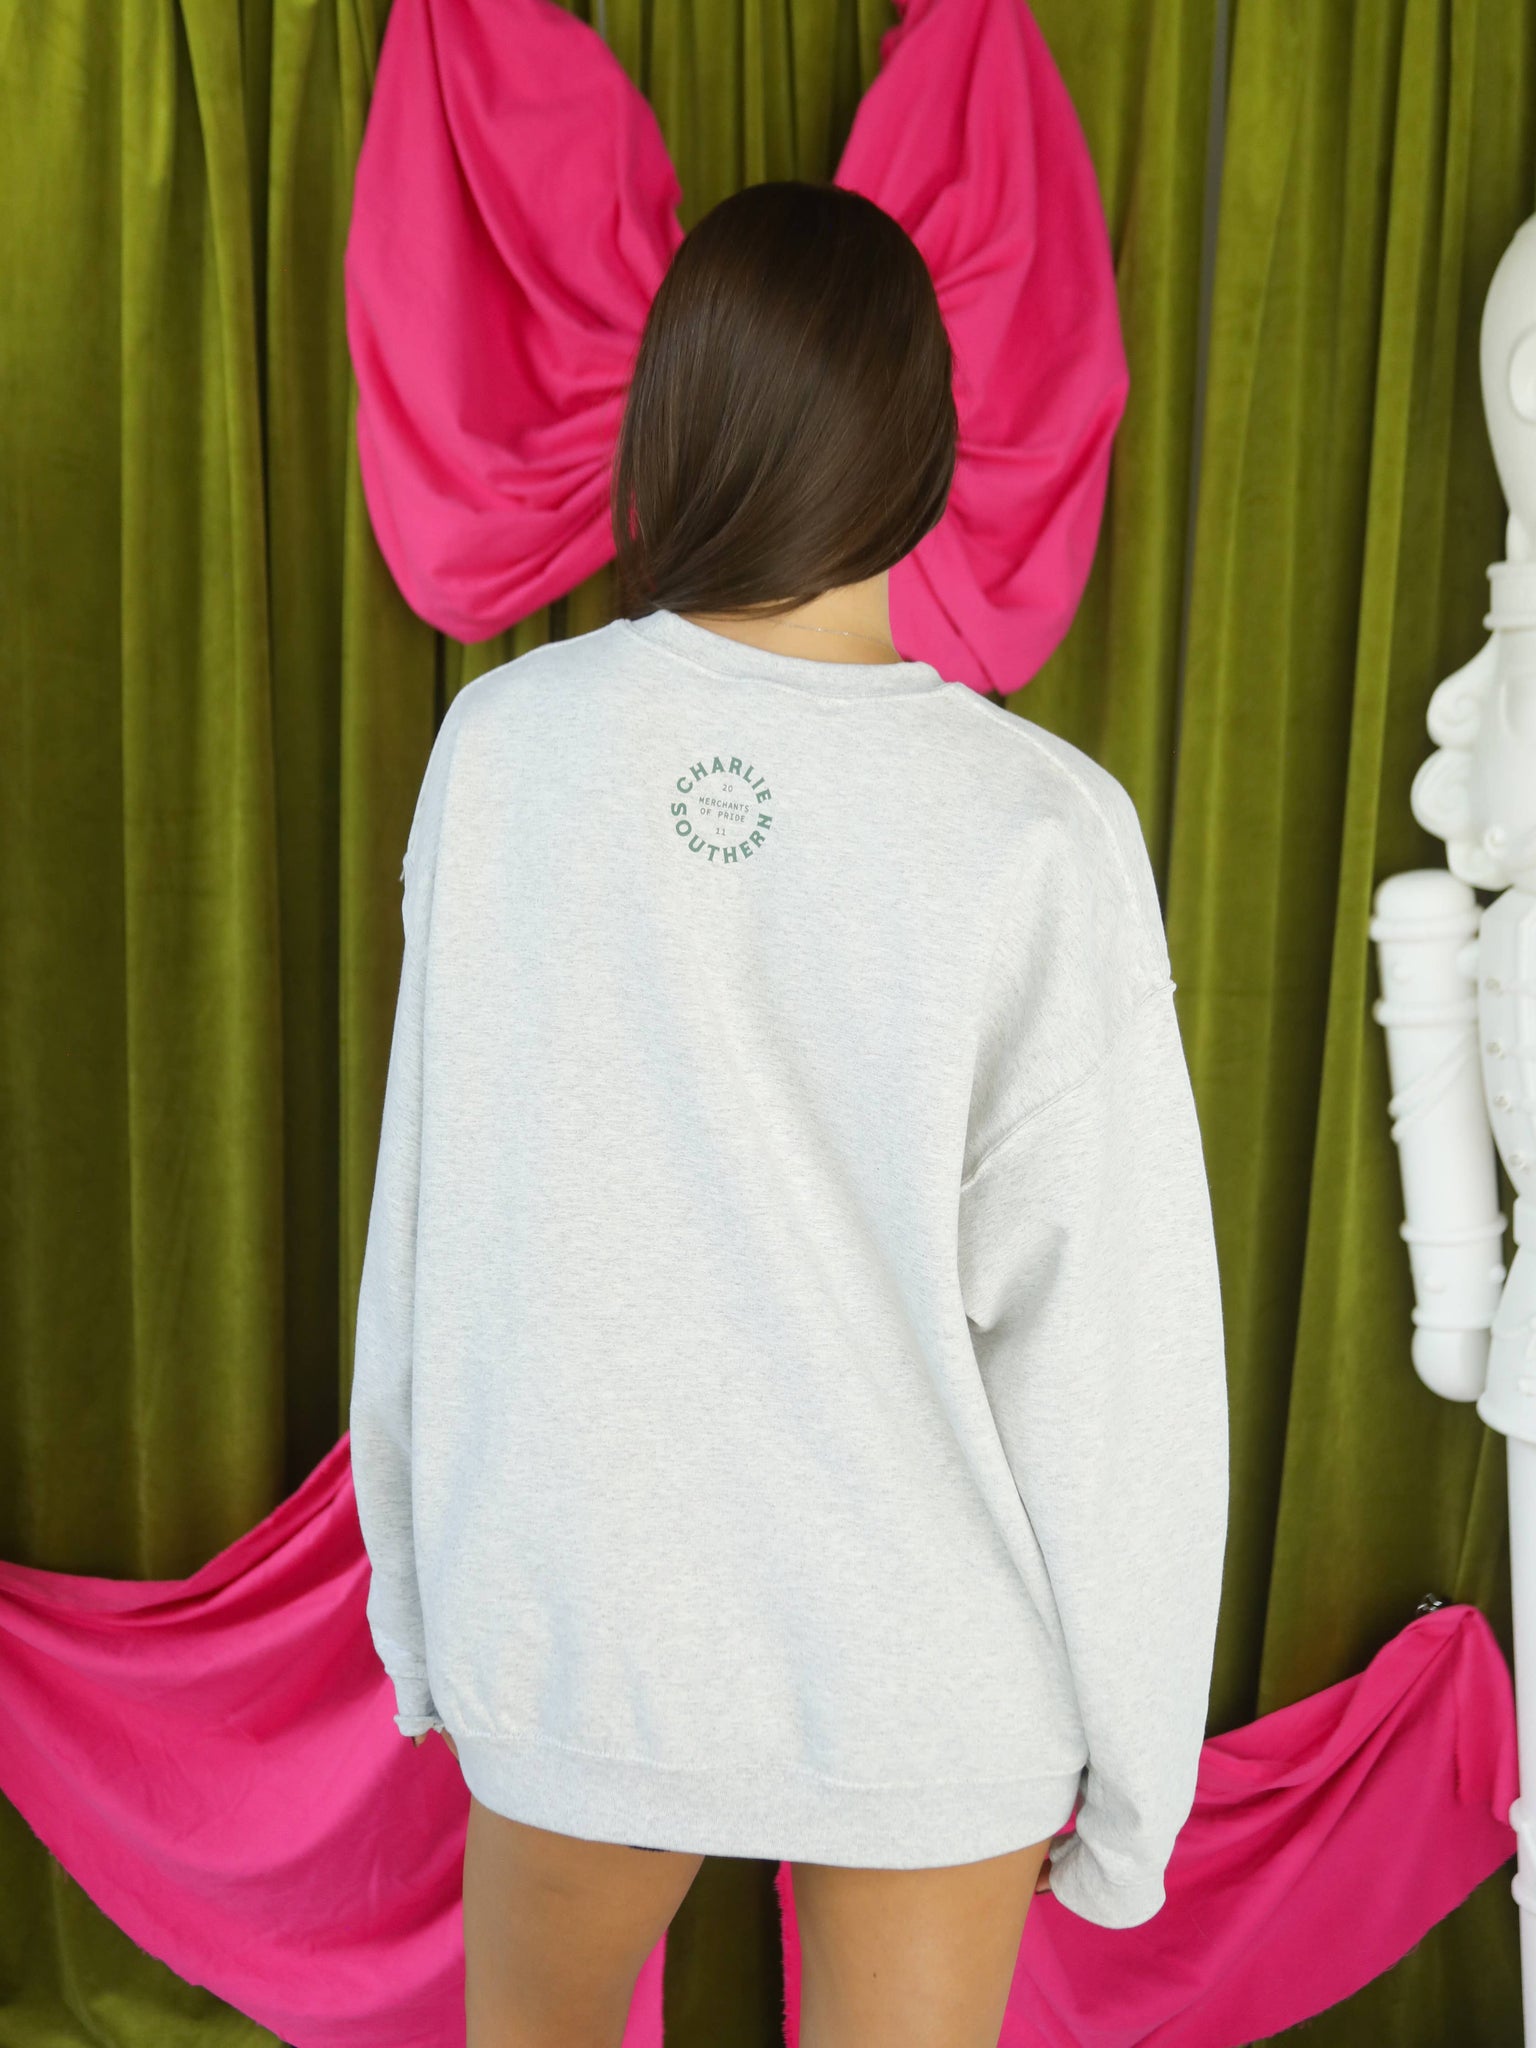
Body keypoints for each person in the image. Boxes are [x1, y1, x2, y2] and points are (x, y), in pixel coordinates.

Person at [349, 179, 1229, 2048]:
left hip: (581, 1635)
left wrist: (428, 1623)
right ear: (929, 451)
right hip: (933, 1667)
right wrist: (1140, 1791)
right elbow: (1119, 1356)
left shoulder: (503, 754)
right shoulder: (1042, 826)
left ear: (667, 425)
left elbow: (430, 1228)